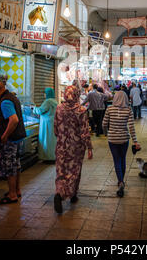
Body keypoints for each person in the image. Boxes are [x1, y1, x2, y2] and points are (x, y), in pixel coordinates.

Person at [0, 81, 26, 204]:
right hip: (17, 138)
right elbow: (6, 119)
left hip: (10, 140)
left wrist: (5, 135)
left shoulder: (5, 101)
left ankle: (12, 194)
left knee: (10, 167)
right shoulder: (12, 97)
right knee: (16, 165)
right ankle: (17, 190)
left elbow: (13, 120)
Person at [53, 85, 93, 214]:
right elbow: (84, 131)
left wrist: (61, 137)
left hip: (61, 146)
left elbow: (55, 128)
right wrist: (89, 147)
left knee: (61, 170)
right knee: (74, 171)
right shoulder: (81, 110)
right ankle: (72, 194)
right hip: (76, 147)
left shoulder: (59, 108)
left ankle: (59, 193)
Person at [103, 91, 141, 198]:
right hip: (124, 139)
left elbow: (104, 124)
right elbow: (131, 127)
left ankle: (120, 182)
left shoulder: (109, 109)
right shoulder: (128, 109)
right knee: (123, 159)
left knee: (116, 160)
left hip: (113, 140)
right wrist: (135, 141)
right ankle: (121, 181)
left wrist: (106, 133)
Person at [33, 88, 58, 162]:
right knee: (52, 140)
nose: (44, 94)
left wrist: (34, 109)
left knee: (46, 140)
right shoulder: (54, 101)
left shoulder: (47, 101)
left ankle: (48, 157)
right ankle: (54, 155)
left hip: (46, 124)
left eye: (45, 93)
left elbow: (40, 110)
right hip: (52, 122)